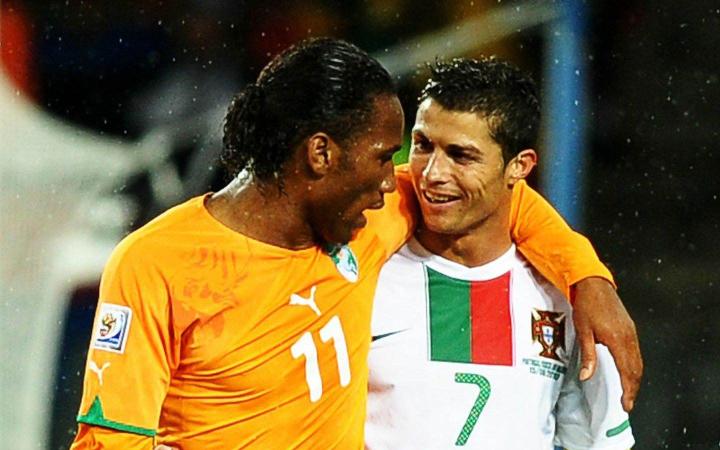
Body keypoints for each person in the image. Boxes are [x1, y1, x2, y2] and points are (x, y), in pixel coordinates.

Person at [70, 38, 638, 449]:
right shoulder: (157, 262)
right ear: (321, 154)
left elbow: (500, 197)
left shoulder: (363, 222)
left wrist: (587, 278)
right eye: (386, 157)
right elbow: (111, 439)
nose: (400, 180)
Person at [366, 57, 636, 449]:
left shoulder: (570, 299)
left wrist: (589, 279)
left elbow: (599, 444)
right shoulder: (365, 276)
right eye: (423, 145)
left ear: (519, 167)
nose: (432, 174)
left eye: (461, 155)